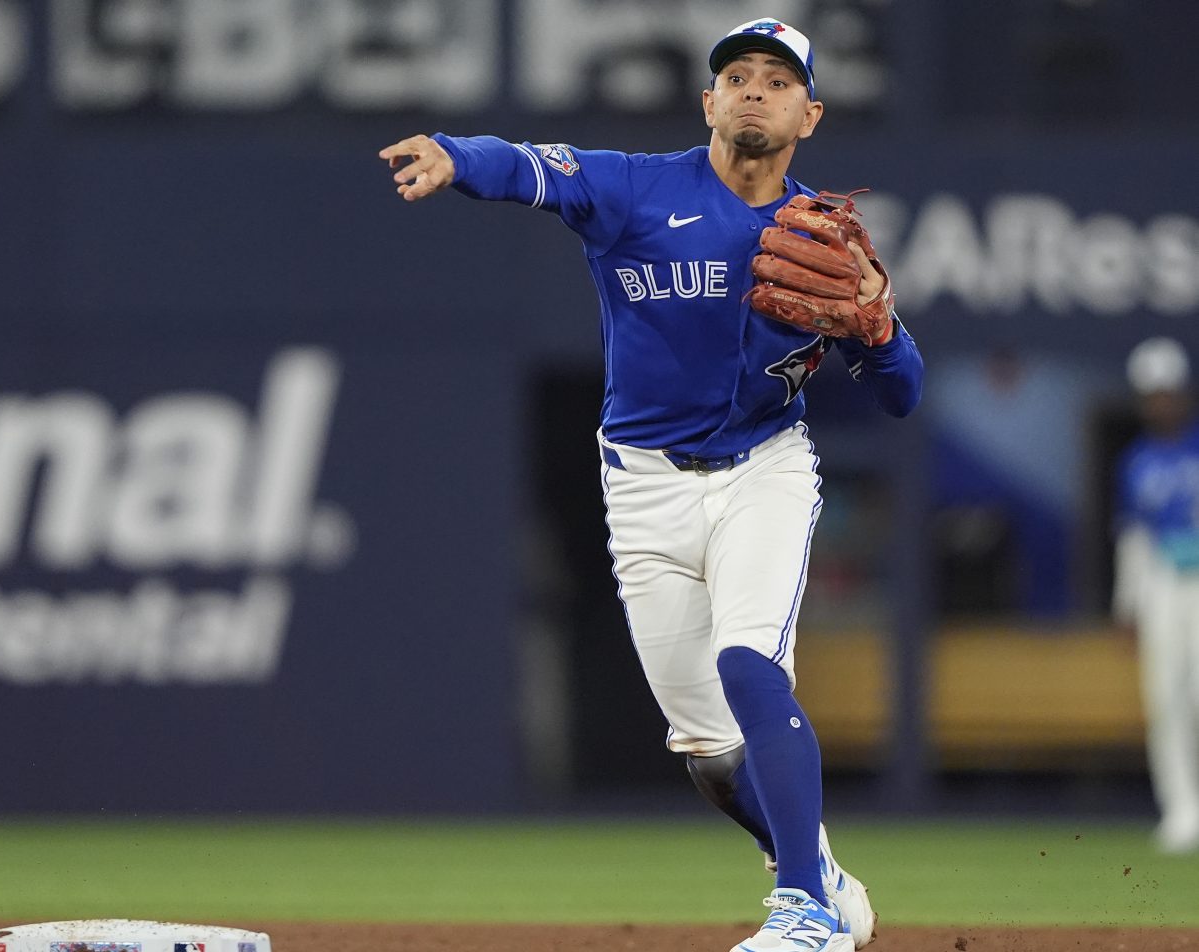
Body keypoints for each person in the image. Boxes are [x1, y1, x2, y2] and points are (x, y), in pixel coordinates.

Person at [379, 16, 923, 952]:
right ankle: (820, 869)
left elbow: (904, 397)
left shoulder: (820, 240)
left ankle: (801, 908)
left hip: (765, 470)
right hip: (643, 487)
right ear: (708, 100)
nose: (755, 88)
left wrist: (879, 327)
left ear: (811, 114)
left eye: (778, 79)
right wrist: (455, 156)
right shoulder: (637, 190)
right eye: (737, 76)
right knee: (711, 756)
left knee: (750, 662)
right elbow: (529, 167)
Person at [1114, 337, 1199, 855]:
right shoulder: (1136, 461)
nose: (1160, 402)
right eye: (1151, 394)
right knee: (1166, 699)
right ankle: (1181, 810)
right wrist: (1128, 606)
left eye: (1167, 392)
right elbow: (1134, 537)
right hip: (1164, 582)